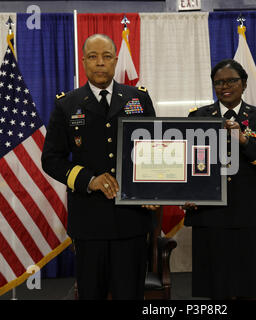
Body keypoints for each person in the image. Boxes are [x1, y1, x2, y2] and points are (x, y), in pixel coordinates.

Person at [41, 34, 156, 299]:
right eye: (93, 57)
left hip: (132, 220)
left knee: (130, 294)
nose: (100, 63)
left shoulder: (137, 99)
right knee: (92, 293)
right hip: (89, 221)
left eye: (106, 56)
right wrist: (87, 179)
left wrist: (154, 190)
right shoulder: (67, 104)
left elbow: (155, 150)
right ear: (83, 62)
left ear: (116, 61)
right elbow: (51, 159)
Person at [185, 59, 256, 299]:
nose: (224, 86)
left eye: (231, 80)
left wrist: (245, 142)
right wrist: (186, 193)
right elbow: (187, 164)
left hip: (249, 214)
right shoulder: (198, 116)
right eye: (218, 82)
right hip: (210, 216)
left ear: (244, 83)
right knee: (214, 288)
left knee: (250, 287)